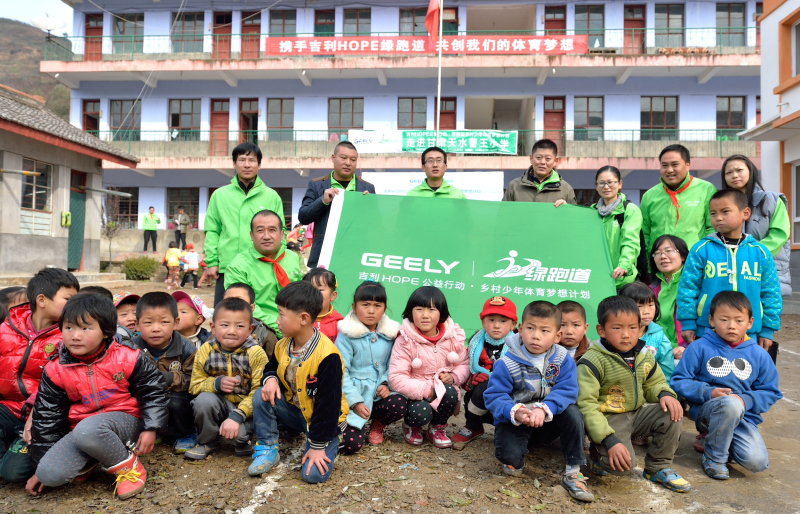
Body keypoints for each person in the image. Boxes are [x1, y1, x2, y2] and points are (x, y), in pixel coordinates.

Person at [27, 294, 168, 500]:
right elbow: (48, 418)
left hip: (128, 421)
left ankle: (129, 469)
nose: (75, 336)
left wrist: (151, 428)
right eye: (69, 327)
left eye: (86, 328)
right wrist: (38, 467)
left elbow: (153, 391)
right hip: (84, 431)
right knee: (49, 474)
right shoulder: (55, 369)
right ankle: (97, 457)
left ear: (106, 331)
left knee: (89, 430)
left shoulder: (128, 356)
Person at [484, 301, 594, 503]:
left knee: (573, 413)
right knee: (511, 459)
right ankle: (516, 454)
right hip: (517, 421)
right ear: (520, 329)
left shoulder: (562, 359)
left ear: (557, 336)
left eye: (545, 331)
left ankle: (573, 471)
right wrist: (515, 411)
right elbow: (494, 396)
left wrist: (544, 408)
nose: (536, 336)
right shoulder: (507, 363)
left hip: (546, 419)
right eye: (530, 328)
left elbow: (567, 390)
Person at [577, 297, 690, 493]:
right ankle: (598, 453)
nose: (626, 335)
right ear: (601, 330)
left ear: (640, 328)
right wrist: (608, 440)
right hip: (608, 419)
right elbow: (586, 405)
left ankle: (658, 467)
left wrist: (665, 394)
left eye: (632, 328)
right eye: (617, 328)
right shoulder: (592, 361)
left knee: (672, 412)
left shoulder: (643, 355)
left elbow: (655, 382)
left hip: (637, 414)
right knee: (623, 467)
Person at [671, 291, 782, 480]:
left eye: (739, 320)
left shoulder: (759, 354)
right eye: (724, 319)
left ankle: (713, 440)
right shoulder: (699, 347)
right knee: (730, 404)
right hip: (707, 413)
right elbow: (679, 380)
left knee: (756, 462)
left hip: (743, 417)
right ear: (711, 320)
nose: (731, 325)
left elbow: (770, 392)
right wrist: (709, 392)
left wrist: (745, 400)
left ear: (750, 323)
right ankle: (714, 458)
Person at [248, 281, 349, 483]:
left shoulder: (328, 356)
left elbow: (328, 407)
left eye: (281, 314)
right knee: (262, 394)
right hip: (296, 410)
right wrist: (271, 379)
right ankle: (268, 448)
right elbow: (270, 368)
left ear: (304, 318)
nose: (277, 321)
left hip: (323, 421)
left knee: (313, 475)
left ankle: (331, 441)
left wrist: (318, 447)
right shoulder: (283, 344)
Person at [0, 268, 79, 484]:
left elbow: (63, 381)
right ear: (42, 300)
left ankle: (14, 455)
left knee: (13, 473)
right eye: (68, 299)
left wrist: (37, 412)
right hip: (7, 407)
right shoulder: (6, 328)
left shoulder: (69, 336)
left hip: (43, 412)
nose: (74, 305)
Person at [677, 189, 782, 351]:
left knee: (746, 367)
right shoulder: (701, 250)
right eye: (713, 213)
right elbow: (688, 289)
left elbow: (771, 293)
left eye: (725, 211)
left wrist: (768, 330)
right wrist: (688, 323)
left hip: (749, 333)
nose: (718, 217)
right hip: (708, 331)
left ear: (745, 213)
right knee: (709, 366)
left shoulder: (761, 253)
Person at [185, 298, 267, 460]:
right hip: (220, 406)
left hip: (248, 412)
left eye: (240, 326)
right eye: (224, 325)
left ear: (250, 329)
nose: (231, 331)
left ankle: (245, 439)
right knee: (203, 401)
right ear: (213, 328)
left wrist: (237, 416)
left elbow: (259, 393)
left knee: (238, 437)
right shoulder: (206, 350)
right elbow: (194, 386)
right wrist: (216, 384)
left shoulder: (256, 353)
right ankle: (208, 442)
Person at [205, 142, 286, 305]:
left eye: (252, 160)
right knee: (226, 313)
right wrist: (212, 262)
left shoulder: (272, 196)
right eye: (242, 160)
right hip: (228, 266)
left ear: (259, 165)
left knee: (260, 313)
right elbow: (212, 230)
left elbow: (280, 231)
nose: (247, 165)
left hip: (262, 265)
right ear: (234, 164)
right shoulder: (219, 195)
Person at [388, 286, 469, 449]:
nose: (425, 315)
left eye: (432, 309)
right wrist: (428, 391)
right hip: (416, 394)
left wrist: (453, 377)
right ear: (410, 312)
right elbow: (397, 377)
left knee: (451, 392)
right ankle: (412, 426)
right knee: (421, 412)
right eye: (419, 309)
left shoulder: (453, 337)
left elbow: (464, 364)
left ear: (441, 313)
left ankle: (437, 428)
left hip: (442, 390)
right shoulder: (405, 340)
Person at [338, 281, 406, 454]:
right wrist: (355, 402)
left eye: (377, 305)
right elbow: (340, 373)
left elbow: (396, 364)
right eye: (365, 305)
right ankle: (351, 425)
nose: (371, 310)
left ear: (384, 309)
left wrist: (386, 383)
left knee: (399, 403)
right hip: (353, 398)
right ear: (354, 307)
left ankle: (378, 423)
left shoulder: (392, 334)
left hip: (378, 396)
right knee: (350, 445)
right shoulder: (346, 336)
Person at [224, 210, 304, 355]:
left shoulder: (293, 258)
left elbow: (302, 295)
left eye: (272, 230)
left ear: (282, 234)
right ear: (251, 235)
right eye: (260, 231)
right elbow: (243, 307)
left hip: (294, 324)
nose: (266, 236)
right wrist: (281, 326)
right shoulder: (238, 266)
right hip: (261, 327)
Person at [131, 292, 198, 454]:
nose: (156, 329)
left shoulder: (186, 348)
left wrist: (169, 378)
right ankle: (155, 430)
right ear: (137, 325)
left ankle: (186, 433)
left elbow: (195, 379)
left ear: (176, 323)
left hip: (175, 394)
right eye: (148, 322)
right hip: (143, 393)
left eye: (164, 322)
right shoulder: (131, 348)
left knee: (175, 403)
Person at [452, 296, 517, 450]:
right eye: (491, 320)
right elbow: (465, 367)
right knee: (479, 388)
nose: (496, 325)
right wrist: (470, 381)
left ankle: (506, 430)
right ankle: (473, 426)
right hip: (480, 395)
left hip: (508, 394)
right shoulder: (475, 342)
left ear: (513, 324)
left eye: (503, 321)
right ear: (483, 322)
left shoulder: (519, 346)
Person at [722, 155, 792, 295]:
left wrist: (749, 253)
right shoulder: (721, 204)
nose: (734, 175)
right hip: (731, 271)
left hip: (765, 269)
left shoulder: (772, 200)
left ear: (751, 171)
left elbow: (780, 235)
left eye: (739, 170)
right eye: (729, 172)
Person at [299, 141, 375, 268]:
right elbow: (303, 217)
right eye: (343, 158)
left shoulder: (367, 188)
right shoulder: (317, 185)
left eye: (353, 159)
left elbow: (375, 225)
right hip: (325, 255)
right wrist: (322, 201)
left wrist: (369, 207)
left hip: (355, 256)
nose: (348, 163)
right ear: (333, 158)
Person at [640, 145, 717, 264]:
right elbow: (645, 234)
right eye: (664, 165)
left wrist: (705, 258)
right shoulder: (649, 196)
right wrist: (647, 266)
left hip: (695, 264)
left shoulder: (706, 189)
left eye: (675, 164)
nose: (669, 170)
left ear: (687, 165)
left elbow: (712, 228)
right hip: (660, 266)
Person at [590, 166, 643, 288]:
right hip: (596, 279)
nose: (606, 187)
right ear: (596, 186)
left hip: (621, 280)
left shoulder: (629, 210)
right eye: (601, 183)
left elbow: (631, 242)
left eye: (610, 182)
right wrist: (565, 208)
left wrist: (623, 266)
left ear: (620, 184)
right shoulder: (591, 211)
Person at [619, 282, 675, 381]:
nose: (646, 312)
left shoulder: (659, 336)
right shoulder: (615, 336)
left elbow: (667, 374)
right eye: (639, 306)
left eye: (650, 305)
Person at [502, 139, 577, 205]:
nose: (543, 162)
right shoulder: (514, 186)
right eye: (539, 158)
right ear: (531, 159)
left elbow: (574, 215)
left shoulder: (566, 189)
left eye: (548, 159)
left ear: (555, 161)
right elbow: (503, 213)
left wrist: (567, 209)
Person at [649, 235, 689, 356]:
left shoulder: (694, 284)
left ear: (683, 256)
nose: (663, 256)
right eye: (657, 253)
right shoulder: (650, 290)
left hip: (687, 350)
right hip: (660, 352)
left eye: (668, 251)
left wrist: (689, 347)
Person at [224, 283, 274, 355]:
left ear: (252, 308)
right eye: (228, 301)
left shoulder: (265, 334)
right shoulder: (218, 329)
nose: (233, 306)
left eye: (240, 301)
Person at [304, 268, 343, 343]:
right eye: (309, 290)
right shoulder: (298, 320)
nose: (314, 294)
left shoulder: (341, 325)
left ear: (333, 295)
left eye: (320, 290)